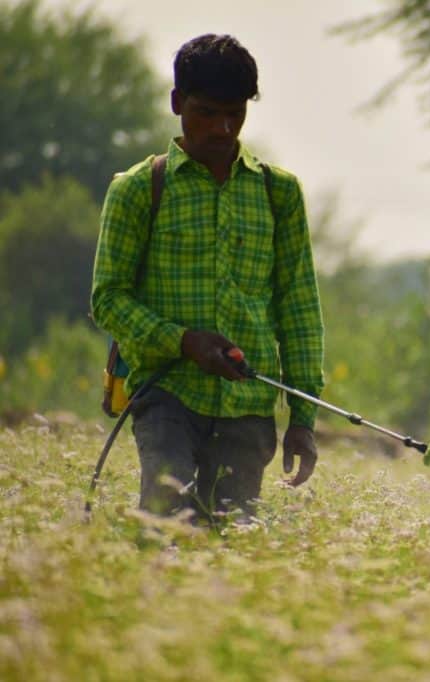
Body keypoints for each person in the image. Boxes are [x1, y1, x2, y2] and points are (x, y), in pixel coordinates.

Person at [91, 34, 324, 520]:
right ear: (177, 103)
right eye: (205, 112)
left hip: (249, 407)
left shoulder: (279, 194)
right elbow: (108, 299)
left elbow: (298, 311)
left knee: (234, 540)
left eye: (234, 113)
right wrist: (183, 342)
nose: (222, 128)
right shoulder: (137, 190)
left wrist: (303, 420)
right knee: (167, 523)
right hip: (166, 394)